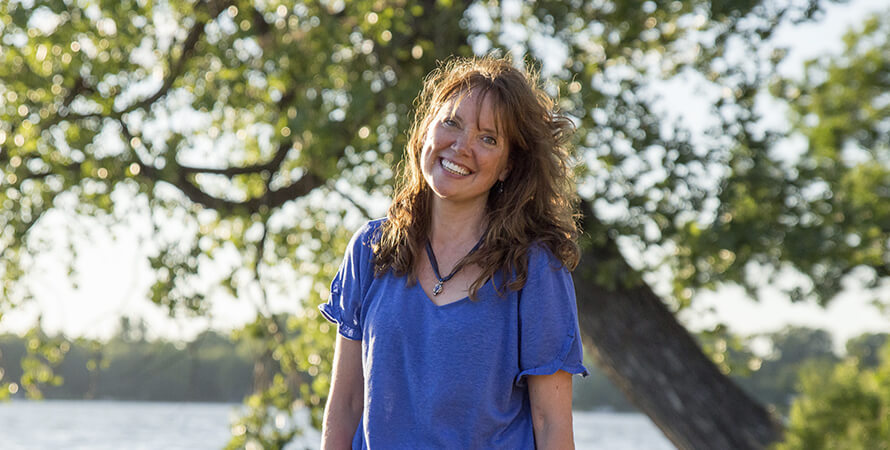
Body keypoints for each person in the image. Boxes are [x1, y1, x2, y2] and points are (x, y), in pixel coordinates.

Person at [319, 54, 588, 449]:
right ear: (426, 130)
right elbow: (345, 404)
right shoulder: (370, 250)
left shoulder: (535, 269)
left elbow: (551, 424)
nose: (461, 147)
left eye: (488, 138)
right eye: (451, 123)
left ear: (509, 166)